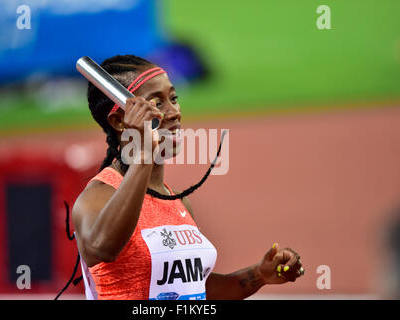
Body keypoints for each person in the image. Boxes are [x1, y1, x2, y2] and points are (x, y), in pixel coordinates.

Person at [71, 54, 304, 300]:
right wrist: (144, 155)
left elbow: (197, 290)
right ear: (120, 121)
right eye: (157, 103)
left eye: (173, 98)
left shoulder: (177, 202)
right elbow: (101, 248)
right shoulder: (99, 194)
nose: (173, 112)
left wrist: (258, 275)